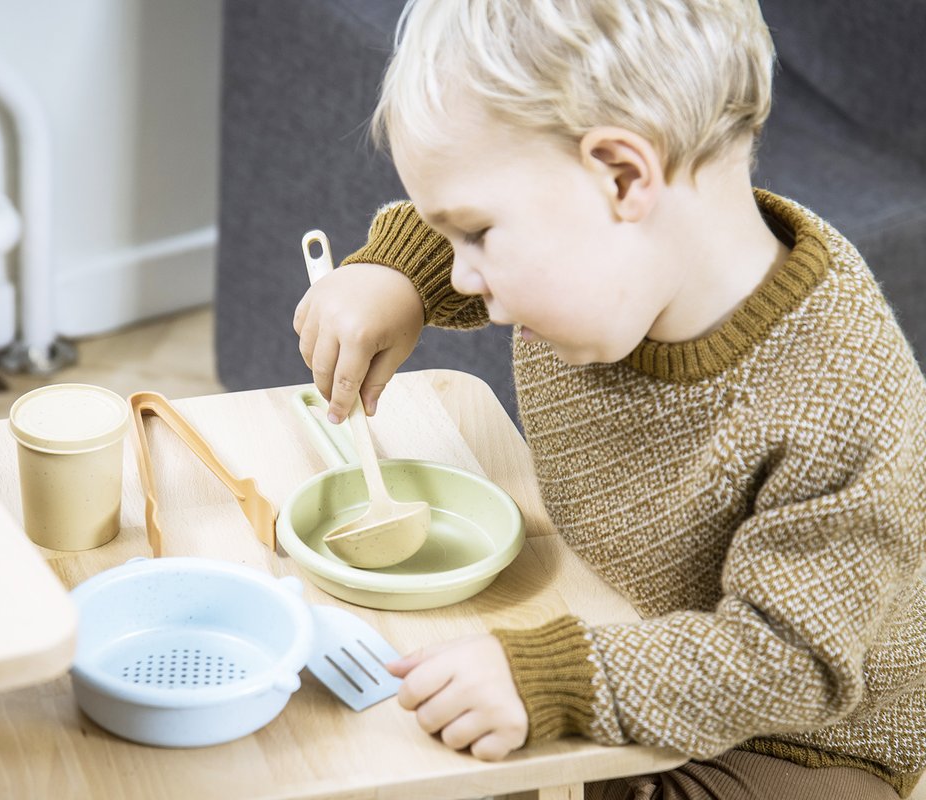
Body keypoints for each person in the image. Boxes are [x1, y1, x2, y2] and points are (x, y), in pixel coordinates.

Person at [291, 1, 926, 797]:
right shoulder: (616, 272)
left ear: (624, 177)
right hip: (613, 615)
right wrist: (394, 275)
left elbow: (790, 663)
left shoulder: (842, 401)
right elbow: (462, 224)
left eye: (478, 236)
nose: (461, 276)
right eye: (450, 238)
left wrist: (555, 678)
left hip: (793, 739)